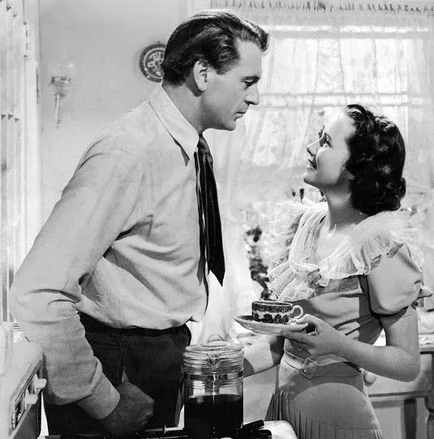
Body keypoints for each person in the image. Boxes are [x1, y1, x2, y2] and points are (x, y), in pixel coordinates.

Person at [10, 10, 268, 437]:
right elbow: (38, 291)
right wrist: (104, 401)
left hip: (156, 357)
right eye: (248, 81)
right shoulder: (129, 153)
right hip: (117, 366)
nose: (255, 98)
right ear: (203, 74)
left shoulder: (188, 148)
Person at [243, 104, 423, 439]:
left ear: (356, 168)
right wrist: (223, 365)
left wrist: (338, 344)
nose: (312, 148)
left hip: (340, 422)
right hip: (286, 414)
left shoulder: (378, 245)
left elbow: (408, 363)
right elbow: (282, 345)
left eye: (325, 141)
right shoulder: (306, 224)